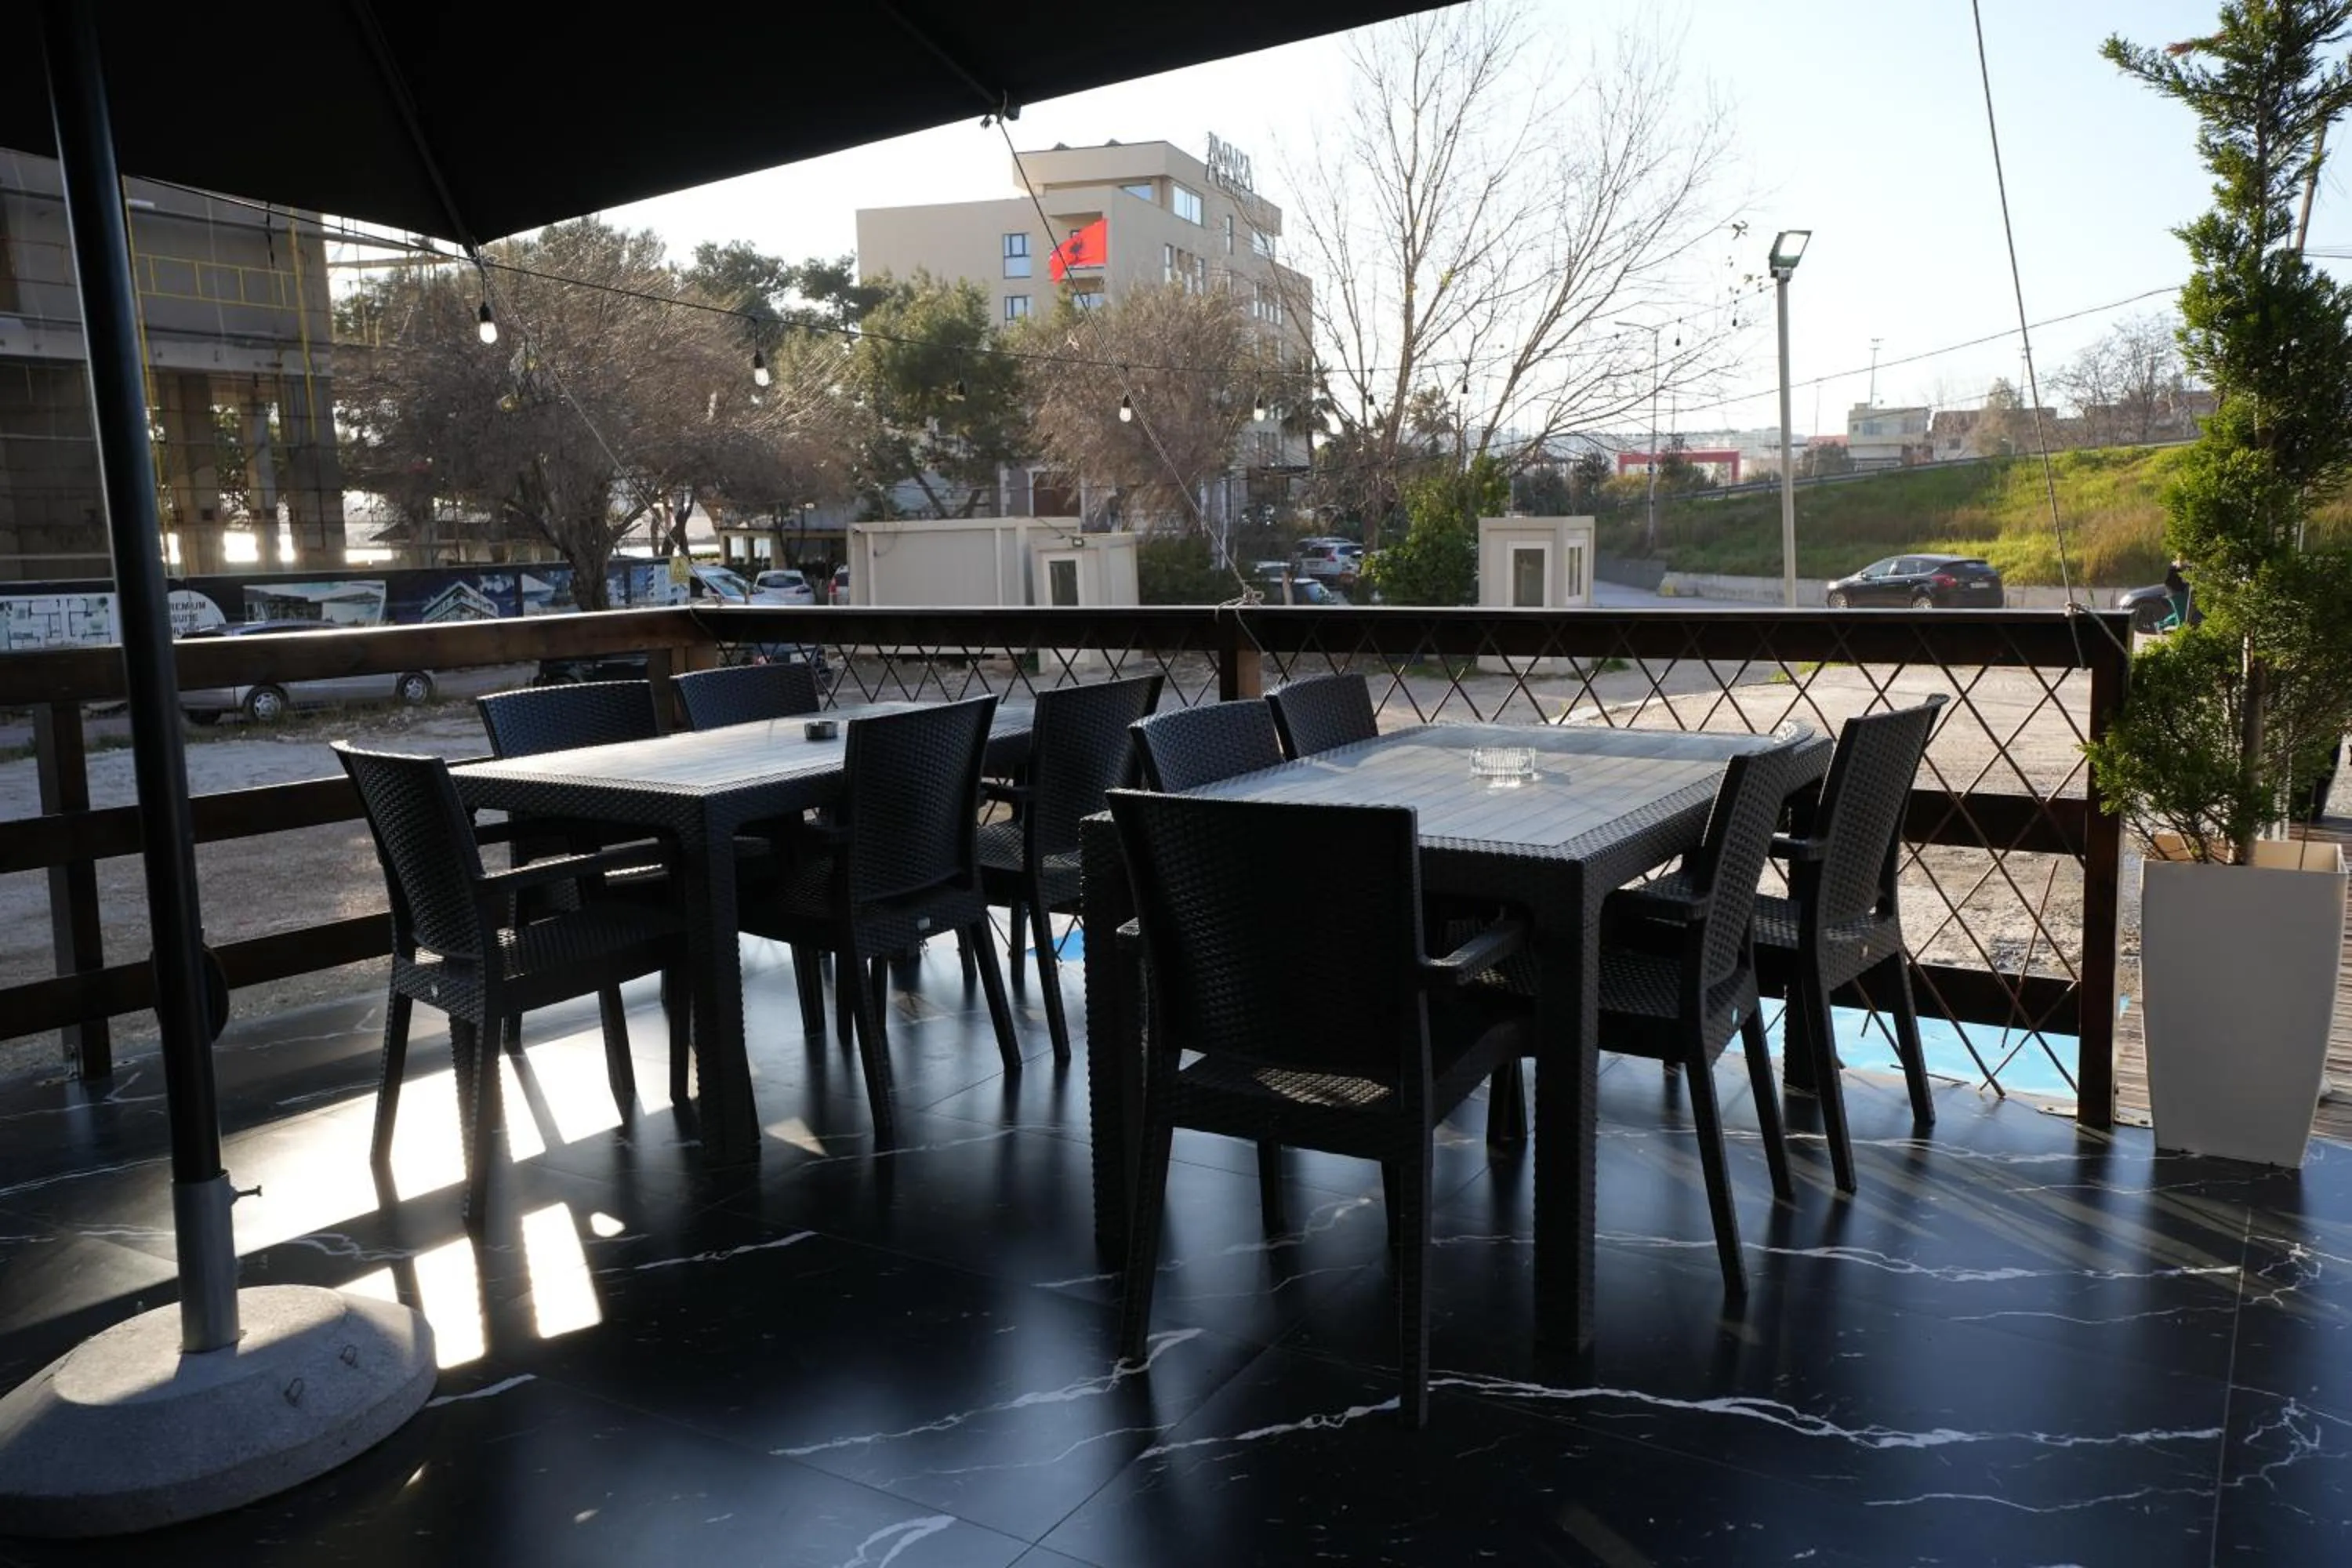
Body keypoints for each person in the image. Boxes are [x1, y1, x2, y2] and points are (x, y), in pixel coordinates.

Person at [2163, 557, 2190, 630]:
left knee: (2181, 613)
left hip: (2176, 593)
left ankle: (2161, 624)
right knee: (2182, 617)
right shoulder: (2175, 569)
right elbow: (2183, 581)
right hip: (2175, 593)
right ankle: (2182, 634)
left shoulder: (2177, 567)